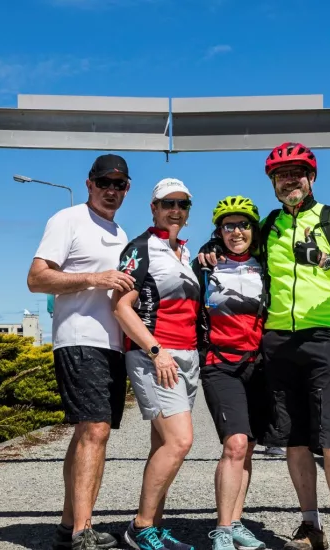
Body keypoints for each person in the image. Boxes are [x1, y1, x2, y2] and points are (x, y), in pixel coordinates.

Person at [201, 142, 330, 550]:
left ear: (311, 178)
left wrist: (325, 261)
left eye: (296, 174)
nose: (289, 181)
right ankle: (309, 525)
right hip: (277, 341)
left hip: (324, 335)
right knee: (293, 438)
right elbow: (236, 245)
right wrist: (211, 245)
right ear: (273, 184)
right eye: (281, 176)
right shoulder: (272, 224)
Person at [27, 153, 135, 550]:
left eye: (119, 184)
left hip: (112, 345)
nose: (111, 189)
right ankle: (83, 531)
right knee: (95, 430)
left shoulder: (121, 233)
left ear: (127, 189)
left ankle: (68, 524)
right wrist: (94, 277)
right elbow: (37, 278)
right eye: (104, 182)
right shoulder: (68, 219)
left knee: (87, 433)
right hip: (78, 338)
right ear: (89, 184)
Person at [113, 178, 201, 550]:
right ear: (154, 208)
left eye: (182, 204)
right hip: (156, 356)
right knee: (181, 441)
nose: (175, 210)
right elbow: (120, 307)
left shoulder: (184, 250)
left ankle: (156, 528)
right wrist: (155, 350)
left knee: (163, 445)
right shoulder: (140, 248)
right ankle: (140, 526)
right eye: (168, 204)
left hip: (188, 355)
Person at [193, 196, 271, 550]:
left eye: (243, 225)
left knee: (249, 446)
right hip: (220, 363)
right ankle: (222, 529)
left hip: (258, 364)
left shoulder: (266, 265)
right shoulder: (206, 265)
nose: (236, 231)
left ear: (254, 230)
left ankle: (236, 520)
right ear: (218, 231)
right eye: (228, 226)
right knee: (235, 444)